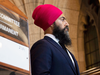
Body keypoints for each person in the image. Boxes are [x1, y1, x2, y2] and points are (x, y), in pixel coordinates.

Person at [30, 4, 80, 75]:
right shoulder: (42, 46)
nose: (67, 24)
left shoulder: (68, 52)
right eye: (62, 19)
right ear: (51, 23)